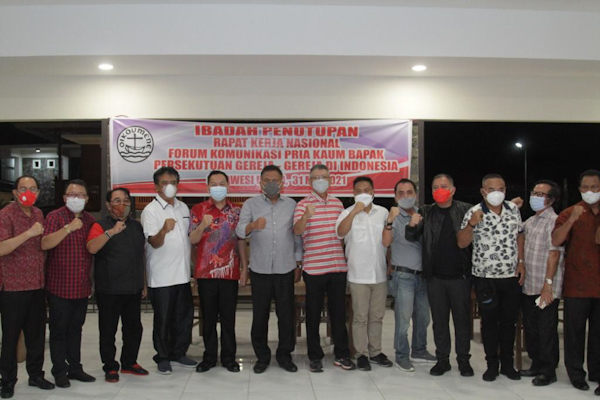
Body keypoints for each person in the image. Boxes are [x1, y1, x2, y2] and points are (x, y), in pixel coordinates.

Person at [458, 173, 525, 382]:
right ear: (482, 191)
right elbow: (461, 242)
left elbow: (519, 234)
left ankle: (507, 364)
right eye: (491, 189)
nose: (496, 193)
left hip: (511, 276)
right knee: (489, 322)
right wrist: (471, 224)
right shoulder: (474, 212)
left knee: (509, 322)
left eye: (501, 189)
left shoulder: (513, 209)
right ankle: (492, 365)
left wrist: (521, 261)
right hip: (485, 278)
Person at [405, 173, 474, 377]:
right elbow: (412, 236)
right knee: (440, 321)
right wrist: (412, 224)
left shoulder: (466, 210)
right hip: (435, 277)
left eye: (443, 186)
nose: (439, 190)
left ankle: (464, 360)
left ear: (452, 190)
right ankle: (443, 360)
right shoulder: (426, 211)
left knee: (462, 321)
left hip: (461, 276)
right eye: (435, 187)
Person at [236, 165, 302, 374]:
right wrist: (252, 226)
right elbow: (239, 231)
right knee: (260, 316)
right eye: (267, 180)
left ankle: (285, 355)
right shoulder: (251, 204)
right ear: (260, 182)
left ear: (282, 182)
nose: (271, 183)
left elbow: (297, 235)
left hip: (285, 267)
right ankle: (262, 357)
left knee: (286, 315)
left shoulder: (291, 204)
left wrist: (298, 262)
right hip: (260, 269)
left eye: (275, 180)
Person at [293, 164, 355, 372]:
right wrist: (306, 216)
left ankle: (342, 354)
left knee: (338, 313)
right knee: (313, 314)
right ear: (310, 181)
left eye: (324, 177)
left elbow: (343, 233)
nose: (320, 180)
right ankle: (315, 356)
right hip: (314, 268)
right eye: (316, 177)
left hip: (337, 267)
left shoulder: (338, 204)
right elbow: (297, 231)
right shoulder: (303, 205)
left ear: (330, 179)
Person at [86, 188, 149, 383]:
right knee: (108, 330)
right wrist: (111, 232)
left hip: (133, 287)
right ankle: (110, 366)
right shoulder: (100, 225)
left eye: (126, 200)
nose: (122, 204)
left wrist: (143, 282)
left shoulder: (136, 226)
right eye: (117, 200)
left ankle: (129, 362)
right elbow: (91, 247)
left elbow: (141, 255)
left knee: (133, 328)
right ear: (108, 205)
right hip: (109, 288)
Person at [0, 176, 54, 398]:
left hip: (37, 285)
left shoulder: (39, 213)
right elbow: (2, 248)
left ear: (38, 193)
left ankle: (36, 375)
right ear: (15, 192)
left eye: (33, 189)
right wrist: (28, 234)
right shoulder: (6, 215)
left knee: (36, 336)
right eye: (23, 189)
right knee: (11, 337)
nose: (28, 193)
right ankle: (7, 380)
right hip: (13, 287)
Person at [190, 171, 248, 373]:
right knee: (208, 318)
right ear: (207, 187)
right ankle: (209, 357)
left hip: (229, 273)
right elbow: (192, 240)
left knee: (228, 318)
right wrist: (202, 226)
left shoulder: (237, 211)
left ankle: (229, 357)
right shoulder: (198, 209)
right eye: (213, 184)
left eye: (222, 183)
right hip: (206, 273)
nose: (218, 187)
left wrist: (244, 268)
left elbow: (241, 240)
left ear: (228, 186)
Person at [141, 167, 196, 374]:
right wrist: (163, 230)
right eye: (164, 183)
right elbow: (154, 243)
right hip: (161, 276)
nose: (169, 186)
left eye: (173, 182)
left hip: (183, 274)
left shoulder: (183, 208)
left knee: (183, 318)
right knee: (163, 320)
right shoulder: (150, 211)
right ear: (156, 186)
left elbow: (188, 241)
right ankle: (162, 357)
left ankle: (179, 353)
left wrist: (194, 269)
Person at [41, 179, 96, 388]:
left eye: (80, 195)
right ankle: (59, 371)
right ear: (65, 198)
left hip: (81, 286)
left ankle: (75, 368)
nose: (76, 198)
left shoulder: (90, 220)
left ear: (87, 199)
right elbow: (45, 243)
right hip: (59, 287)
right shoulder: (55, 216)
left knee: (76, 330)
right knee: (58, 331)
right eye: (72, 194)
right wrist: (68, 228)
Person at [337, 176, 393, 371]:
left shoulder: (383, 212)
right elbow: (340, 233)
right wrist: (354, 212)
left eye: (367, 190)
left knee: (377, 316)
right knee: (360, 317)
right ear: (353, 193)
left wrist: (389, 264)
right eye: (359, 191)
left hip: (379, 274)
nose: (363, 193)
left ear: (373, 192)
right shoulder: (346, 213)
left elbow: (388, 241)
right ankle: (360, 354)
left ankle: (376, 352)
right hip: (357, 274)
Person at [552, 169, 600, 393]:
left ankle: (597, 373)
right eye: (586, 187)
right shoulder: (569, 212)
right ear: (580, 189)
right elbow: (556, 240)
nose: (590, 191)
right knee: (574, 333)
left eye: (595, 187)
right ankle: (576, 374)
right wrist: (572, 219)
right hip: (576, 284)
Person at [383, 178, 435, 373]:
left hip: (423, 276)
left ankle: (419, 350)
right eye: (401, 193)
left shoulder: (423, 215)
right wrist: (389, 221)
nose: (406, 196)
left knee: (423, 318)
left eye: (409, 192)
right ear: (395, 196)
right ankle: (402, 355)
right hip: (403, 275)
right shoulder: (393, 217)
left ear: (415, 194)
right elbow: (385, 243)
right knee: (403, 319)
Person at [518, 180, 563, 386]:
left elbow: (555, 254)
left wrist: (548, 284)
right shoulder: (532, 220)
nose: (535, 197)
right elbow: (518, 233)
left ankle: (548, 370)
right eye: (534, 192)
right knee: (532, 328)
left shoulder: (554, 221)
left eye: (540, 194)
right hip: (529, 284)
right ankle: (536, 364)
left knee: (546, 330)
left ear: (551, 200)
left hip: (546, 286)